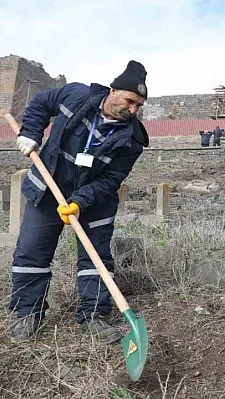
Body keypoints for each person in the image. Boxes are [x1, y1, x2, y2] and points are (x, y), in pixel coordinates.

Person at [10, 61, 150, 344]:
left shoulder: (132, 139)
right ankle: (28, 314)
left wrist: (79, 202)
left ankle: (93, 317)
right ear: (113, 91)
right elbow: (40, 103)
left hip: (94, 201)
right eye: (130, 101)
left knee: (95, 259)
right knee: (31, 253)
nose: (133, 110)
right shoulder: (76, 96)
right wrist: (30, 133)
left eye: (139, 106)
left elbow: (111, 179)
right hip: (47, 191)